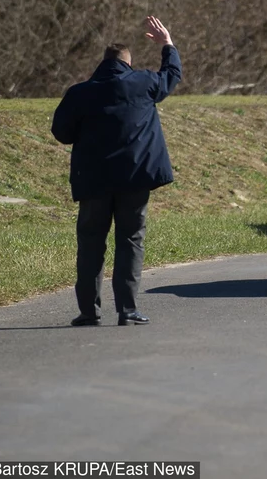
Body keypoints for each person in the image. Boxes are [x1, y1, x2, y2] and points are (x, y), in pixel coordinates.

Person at [51, 16, 182, 327]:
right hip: (134, 180)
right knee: (131, 240)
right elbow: (171, 75)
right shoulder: (144, 83)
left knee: (91, 243)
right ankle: (127, 310)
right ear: (128, 61)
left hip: (93, 182)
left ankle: (88, 311)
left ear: (102, 62)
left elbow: (62, 132)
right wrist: (167, 45)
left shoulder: (79, 93)